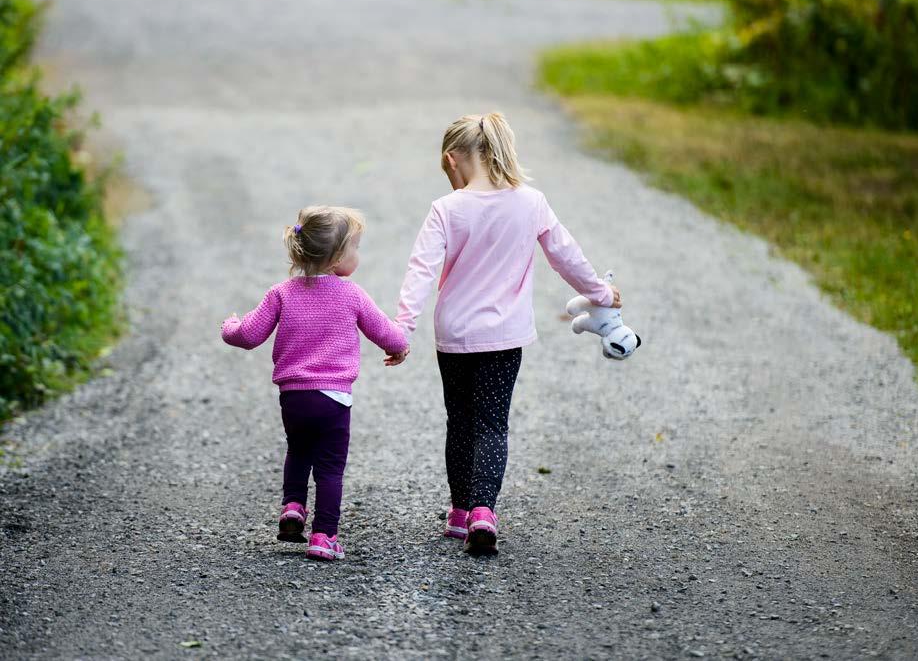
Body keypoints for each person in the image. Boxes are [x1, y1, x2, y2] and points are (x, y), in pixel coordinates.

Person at [395, 112, 621, 556]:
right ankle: (484, 511)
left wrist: (402, 329)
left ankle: (460, 514)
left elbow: (420, 271)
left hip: (455, 335)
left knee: (459, 421)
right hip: (503, 336)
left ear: (451, 159)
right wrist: (602, 292)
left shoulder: (446, 209)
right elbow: (565, 256)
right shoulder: (531, 201)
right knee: (492, 423)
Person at [222, 205, 409, 561]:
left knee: (298, 448)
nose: (358, 255)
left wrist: (229, 326)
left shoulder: (281, 293)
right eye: (355, 247)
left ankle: (292, 506)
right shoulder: (351, 293)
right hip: (334, 399)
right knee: (329, 468)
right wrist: (399, 347)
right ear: (338, 256)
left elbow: (248, 335)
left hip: (294, 398)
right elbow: (384, 330)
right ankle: (324, 535)